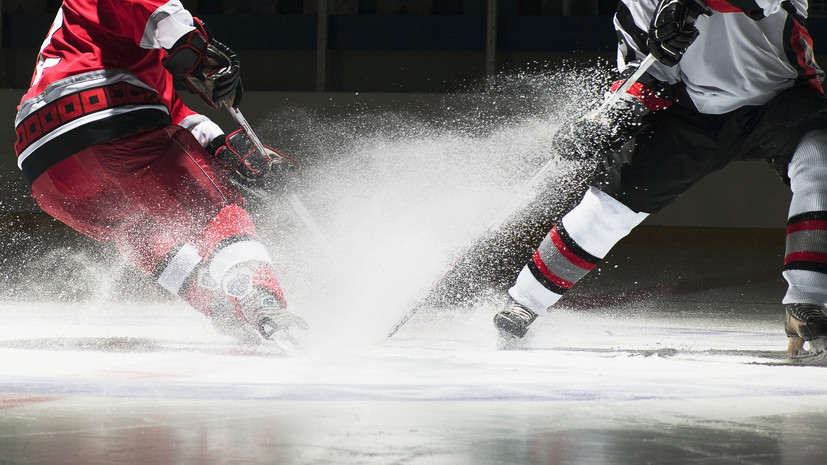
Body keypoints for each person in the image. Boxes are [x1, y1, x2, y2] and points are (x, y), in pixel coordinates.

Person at [493, 0, 827, 360]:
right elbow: (646, 73)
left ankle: (805, 303)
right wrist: (611, 115)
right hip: (693, 111)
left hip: (783, 98)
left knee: (820, 162)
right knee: (610, 206)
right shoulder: (636, 3)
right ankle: (524, 301)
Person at [13, 0, 307, 350]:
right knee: (214, 210)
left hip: (44, 165)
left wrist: (223, 147)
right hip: (107, 117)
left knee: (137, 229)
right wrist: (201, 51)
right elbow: (165, 20)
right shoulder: (108, 18)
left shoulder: (101, 47)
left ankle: (221, 306)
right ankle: (261, 298)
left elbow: (175, 112)